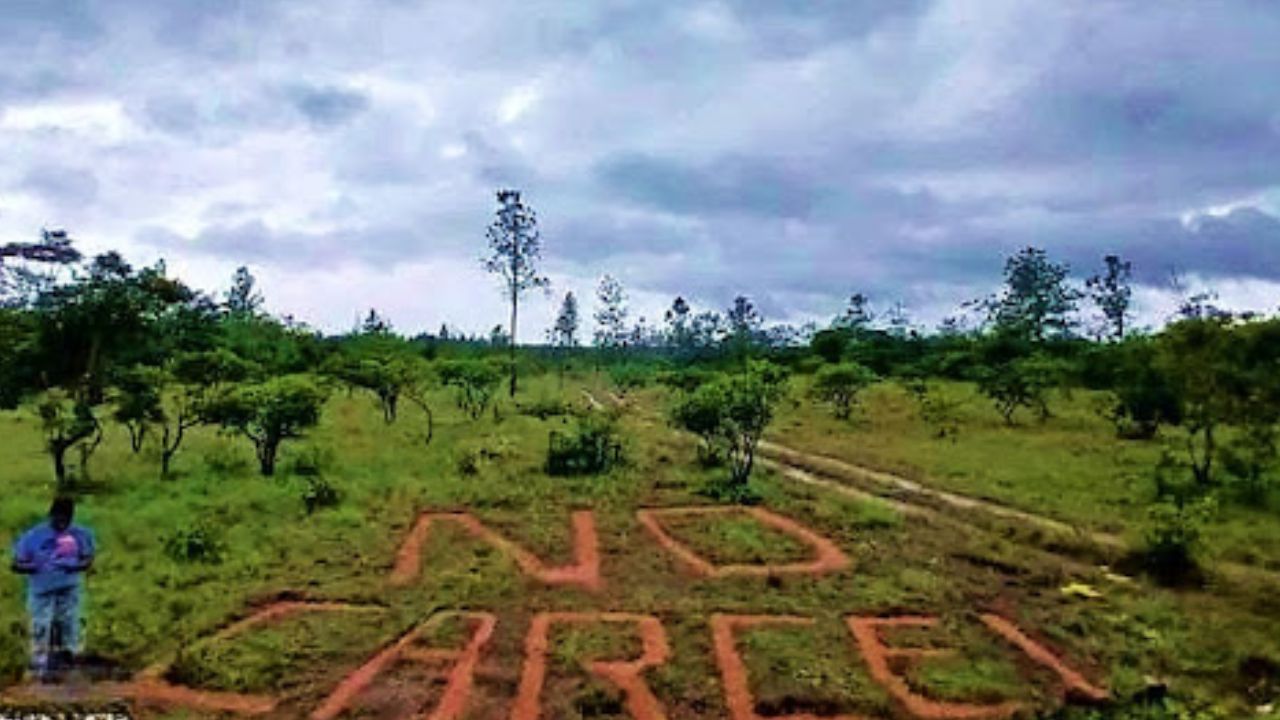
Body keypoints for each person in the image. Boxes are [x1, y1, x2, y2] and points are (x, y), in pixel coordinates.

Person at [9, 496, 96, 682]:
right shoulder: (34, 536)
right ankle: (38, 667)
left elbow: (88, 558)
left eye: (67, 519)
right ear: (52, 515)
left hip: (69, 587)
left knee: (70, 623)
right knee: (41, 625)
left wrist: (77, 566)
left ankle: (70, 663)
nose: (62, 523)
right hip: (42, 589)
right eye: (59, 518)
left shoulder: (80, 534)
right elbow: (16, 564)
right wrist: (35, 567)